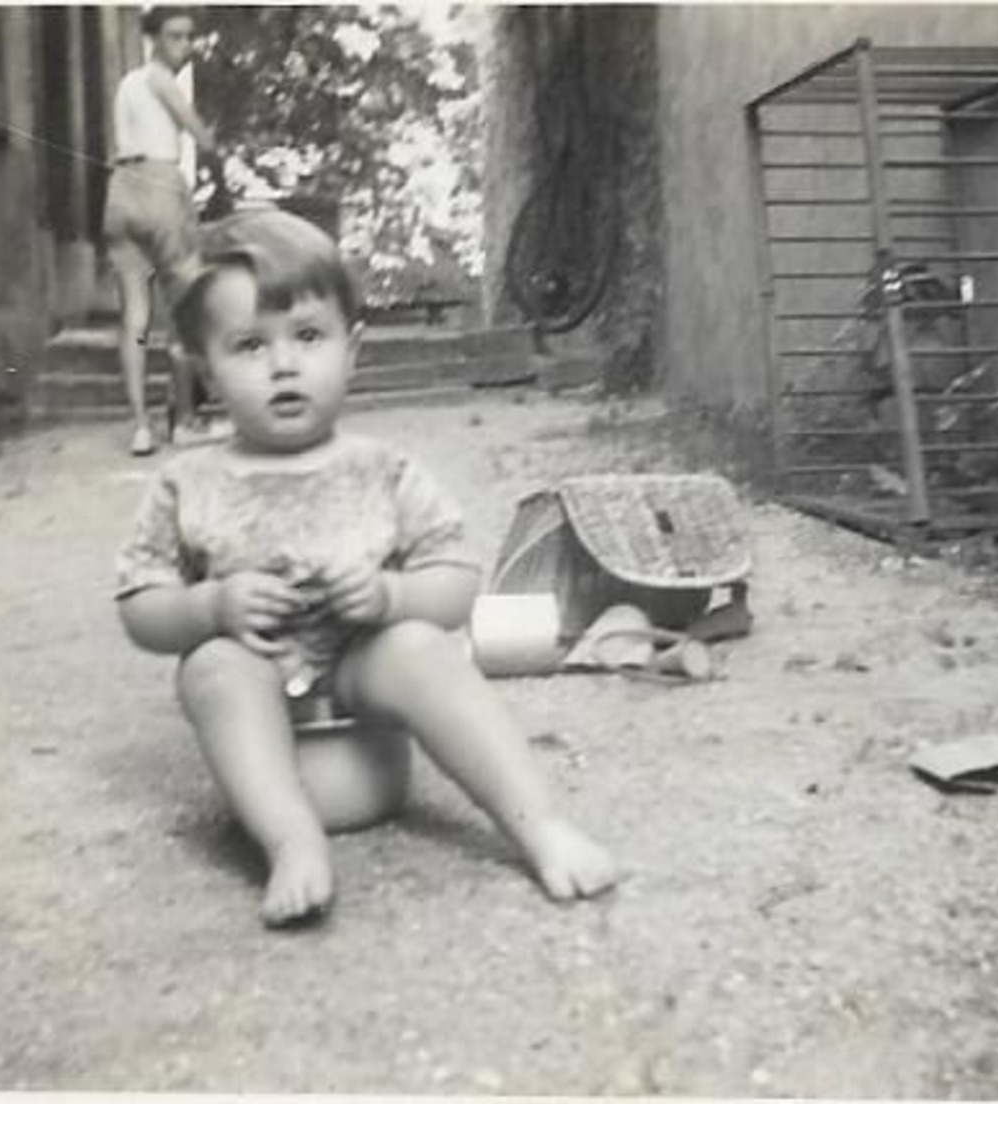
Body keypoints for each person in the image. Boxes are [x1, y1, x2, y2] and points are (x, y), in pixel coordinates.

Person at [114, 210, 618, 928]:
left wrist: (390, 595)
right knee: (211, 667)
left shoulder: (381, 471)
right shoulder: (188, 481)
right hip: (263, 699)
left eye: (309, 337)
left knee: (419, 646)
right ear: (203, 366)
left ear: (351, 351)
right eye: (250, 344)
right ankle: (291, 841)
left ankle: (537, 824)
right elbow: (140, 603)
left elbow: (455, 580)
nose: (284, 364)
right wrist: (210, 607)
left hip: (360, 683)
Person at [101, 6, 215, 456]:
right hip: (159, 185)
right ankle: (184, 421)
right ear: (154, 39)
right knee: (182, 307)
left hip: (120, 191)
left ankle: (140, 427)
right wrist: (210, 146)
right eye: (175, 36)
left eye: (189, 37)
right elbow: (200, 136)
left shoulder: (126, 84)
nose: (184, 46)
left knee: (135, 315)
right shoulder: (160, 79)